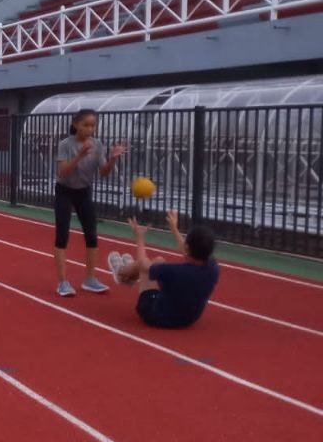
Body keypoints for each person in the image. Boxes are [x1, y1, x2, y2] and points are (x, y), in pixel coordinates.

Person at [53, 108, 127, 297]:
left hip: (84, 192)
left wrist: (112, 159)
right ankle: (62, 282)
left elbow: (104, 172)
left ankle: (90, 279)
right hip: (65, 192)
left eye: (93, 126)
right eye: (86, 125)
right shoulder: (65, 144)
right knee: (62, 236)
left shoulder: (97, 144)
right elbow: (62, 173)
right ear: (75, 124)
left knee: (92, 235)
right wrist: (79, 155)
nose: (90, 129)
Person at [108, 210, 219, 328]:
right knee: (158, 262)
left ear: (187, 247)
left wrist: (139, 237)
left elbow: (144, 264)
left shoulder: (176, 271)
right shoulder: (213, 268)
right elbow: (187, 252)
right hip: (189, 319)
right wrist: (174, 229)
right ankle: (130, 275)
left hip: (156, 315)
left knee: (148, 266)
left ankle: (121, 272)